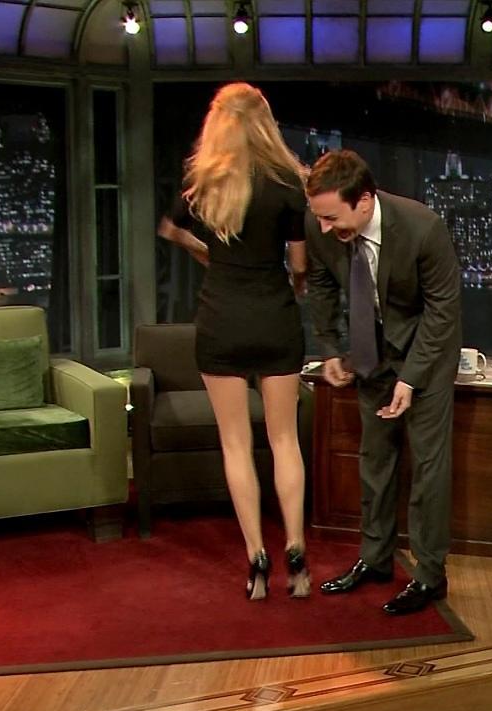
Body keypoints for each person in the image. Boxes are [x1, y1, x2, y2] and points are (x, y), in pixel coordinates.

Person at [156, 83, 311, 601]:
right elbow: (299, 265)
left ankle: (256, 559)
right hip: (274, 317)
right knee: (284, 440)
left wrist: (207, 253)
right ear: (264, 124)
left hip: (221, 319)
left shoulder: (204, 182)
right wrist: (295, 283)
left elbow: (169, 230)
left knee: (236, 444)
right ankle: (296, 551)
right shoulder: (288, 182)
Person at [303, 149, 461, 616]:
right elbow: (322, 284)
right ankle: (375, 560)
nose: (323, 228)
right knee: (375, 460)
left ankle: (429, 575)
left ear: (365, 200)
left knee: (428, 468)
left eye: (332, 217)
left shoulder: (422, 228)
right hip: (370, 353)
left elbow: (442, 311)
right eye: (319, 218)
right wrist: (331, 348)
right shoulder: (321, 224)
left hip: (424, 353)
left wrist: (411, 378)